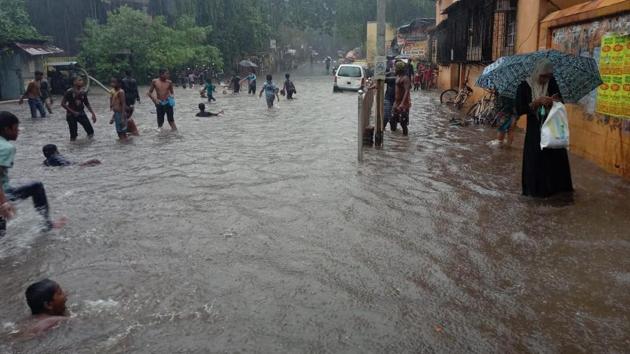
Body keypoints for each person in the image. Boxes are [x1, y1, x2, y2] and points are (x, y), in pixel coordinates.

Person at [0, 112, 64, 237]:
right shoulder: (6, 148)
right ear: (7, 129)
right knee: (37, 186)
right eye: (16, 128)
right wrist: (3, 202)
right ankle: (47, 225)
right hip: (2, 193)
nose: (18, 131)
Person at [515, 59, 573, 198]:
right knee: (535, 160)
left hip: (552, 126)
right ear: (536, 73)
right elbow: (519, 109)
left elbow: (560, 101)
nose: (545, 79)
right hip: (535, 130)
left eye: (548, 75)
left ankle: (557, 191)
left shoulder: (552, 82)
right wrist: (535, 103)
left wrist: (553, 101)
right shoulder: (524, 86)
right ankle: (535, 191)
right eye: (543, 76)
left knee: (555, 157)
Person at [61, 77, 97, 141]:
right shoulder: (69, 91)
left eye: (82, 80)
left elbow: (87, 103)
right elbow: (63, 104)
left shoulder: (83, 92)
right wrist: (73, 112)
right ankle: (73, 147)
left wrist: (93, 114)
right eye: (80, 80)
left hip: (81, 113)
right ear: (74, 82)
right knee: (73, 135)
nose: (82, 81)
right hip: (71, 115)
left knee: (90, 132)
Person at [391, 61, 412, 135]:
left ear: (399, 69)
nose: (394, 69)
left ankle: (405, 139)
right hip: (396, 103)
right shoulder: (397, 76)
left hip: (404, 104)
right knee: (392, 120)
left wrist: (402, 104)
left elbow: (407, 91)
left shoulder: (405, 78)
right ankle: (396, 140)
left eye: (395, 67)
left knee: (403, 123)